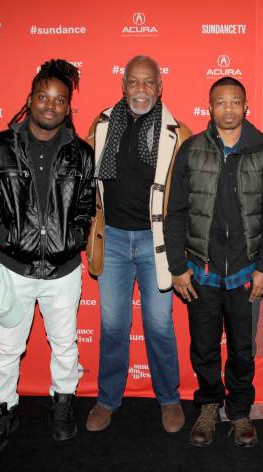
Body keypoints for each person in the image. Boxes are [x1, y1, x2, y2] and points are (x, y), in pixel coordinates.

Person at [0, 59, 95, 453]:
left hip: (63, 270)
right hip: (12, 270)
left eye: (59, 100)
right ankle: (3, 410)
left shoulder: (80, 154)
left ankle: (63, 403)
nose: (50, 106)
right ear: (30, 99)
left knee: (65, 344)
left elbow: (88, 203)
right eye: (43, 97)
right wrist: (0, 232)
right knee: (5, 347)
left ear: (68, 107)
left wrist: (74, 236)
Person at [165, 77, 263, 447]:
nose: (228, 109)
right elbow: (176, 212)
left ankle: (241, 410)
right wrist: (178, 266)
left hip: (247, 272)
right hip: (202, 270)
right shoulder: (192, 150)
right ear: (209, 107)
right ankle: (210, 405)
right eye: (220, 102)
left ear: (246, 106)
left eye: (235, 102)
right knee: (204, 346)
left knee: (243, 348)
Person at [85, 55, 191, 433]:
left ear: (160, 88)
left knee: (159, 325)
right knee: (113, 324)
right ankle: (107, 399)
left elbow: (185, 198)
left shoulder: (177, 133)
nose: (141, 89)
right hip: (110, 239)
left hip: (154, 242)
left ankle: (169, 398)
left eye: (149, 83)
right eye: (134, 82)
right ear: (124, 86)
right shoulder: (101, 126)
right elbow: (86, 184)